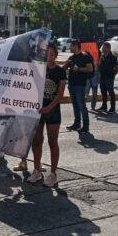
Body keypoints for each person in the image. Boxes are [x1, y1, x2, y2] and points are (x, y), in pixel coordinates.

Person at [26, 44, 67, 187]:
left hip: (53, 111)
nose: (48, 57)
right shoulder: (39, 70)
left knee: (52, 141)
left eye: (51, 54)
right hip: (38, 110)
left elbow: (60, 95)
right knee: (36, 141)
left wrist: (49, 107)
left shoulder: (60, 72)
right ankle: (36, 170)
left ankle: (53, 173)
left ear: (55, 55)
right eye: (46, 54)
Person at [63, 40, 94, 133]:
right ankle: (77, 124)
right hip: (71, 84)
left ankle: (86, 126)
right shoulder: (71, 57)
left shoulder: (85, 57)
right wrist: (67, 63)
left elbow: (90, 68)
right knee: (75, 106)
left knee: (82, 106)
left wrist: (79, 69)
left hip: (80, 85)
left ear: (76, 46)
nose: (70, 48)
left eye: (71, 46)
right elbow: (63, 69)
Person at [97, 42, 118, 113]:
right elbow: (99, 66)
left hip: (109, 78)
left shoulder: (113, 57)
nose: (102, 49)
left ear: (108, 48)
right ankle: (104, 106)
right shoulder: (102, 56)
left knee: (111, 93)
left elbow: (117, 67)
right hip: (102, 77)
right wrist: (100, 59)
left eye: (104, 47)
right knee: (103, 92)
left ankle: (112, 107)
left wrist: (113, 74)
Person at [84, 42, 101, 110]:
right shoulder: (88, 53)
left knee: (89, 91)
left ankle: (90, 106)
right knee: (88, 91)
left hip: (94, 73)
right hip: (92, 73)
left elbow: (99, 63)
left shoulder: (88, 53)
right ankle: (89, 106)